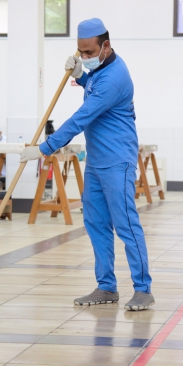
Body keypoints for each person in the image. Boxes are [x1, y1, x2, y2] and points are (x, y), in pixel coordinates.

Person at [20, 18, 153, 311]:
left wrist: (44, 148)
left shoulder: (115, 77)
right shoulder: (101, 68)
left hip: (118, 161)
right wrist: (81, 74)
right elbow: (92, 82)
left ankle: (143, 289)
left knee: (126, 225)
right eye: (81, 52)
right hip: (96, 161)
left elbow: (82, 117)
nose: (85, 57)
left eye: (89, 53)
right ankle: (106, 286)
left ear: (106, 46)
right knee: (95, 223)